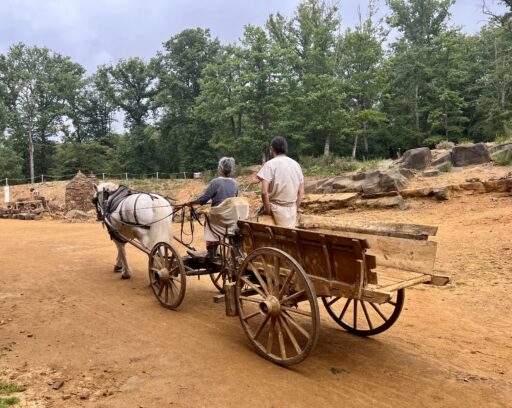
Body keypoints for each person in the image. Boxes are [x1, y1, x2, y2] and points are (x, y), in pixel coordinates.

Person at [186, 157, 238, 259]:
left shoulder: (215, 182)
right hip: (231, 218)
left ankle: (212, 251)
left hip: (218, 218)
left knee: (208, 222)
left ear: (220, 168)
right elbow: (234, 198)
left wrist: (191, 203)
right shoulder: (235, 183)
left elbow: (203, 199)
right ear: (231, 169)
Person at [254, 136, 304, 228]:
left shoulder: (270, 164)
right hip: (292, 209)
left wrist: (268, 210)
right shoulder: (297, 165)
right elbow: (301, 193)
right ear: (285, 149)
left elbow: (264, 192)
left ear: (271, 149)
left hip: (275, 209)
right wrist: (295, 208)